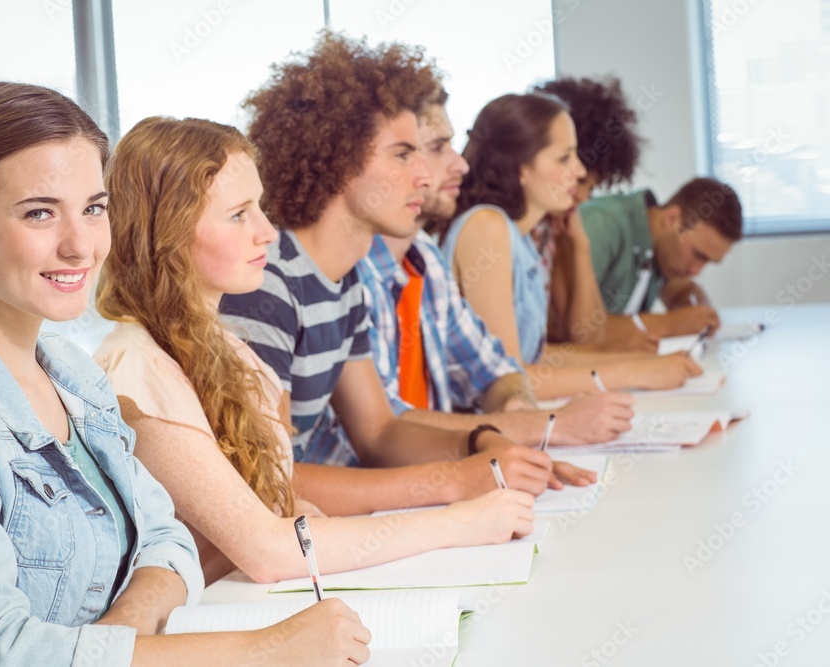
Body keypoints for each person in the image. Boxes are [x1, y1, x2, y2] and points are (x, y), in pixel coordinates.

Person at [0, 82, 369, 666]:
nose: (80, 246)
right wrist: (265, 650)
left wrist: (117, 640)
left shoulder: (72, 375)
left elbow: (166, 541)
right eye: (40, 213)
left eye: (93, 209)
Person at [93, 116, 535, 587]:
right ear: (170, 233)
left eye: (259, 208)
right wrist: (459, 522)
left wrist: (310, 517)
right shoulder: (136, 373)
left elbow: (279, 506)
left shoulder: (239, 358)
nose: (266, 231)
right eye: (239, 214)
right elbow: (267, 551)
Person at [219, 32, 562, 501]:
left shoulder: (345, 281)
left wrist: (479, 443)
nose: (424, 175)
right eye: (403, 154)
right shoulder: (268, 285)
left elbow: (378, 432)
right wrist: (455, 481)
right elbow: (266, 483)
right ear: (337, 159)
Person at [314, 89, 634, 459]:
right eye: (427, 149)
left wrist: (516, 408)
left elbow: (497, 369)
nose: (461, 165)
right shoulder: (349, 273)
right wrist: (544, 424)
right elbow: (385, 429)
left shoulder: (425, 260)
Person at [432, 93, 702, 399]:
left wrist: (644, 362)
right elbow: (507, 379)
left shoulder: (519, 237)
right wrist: (635, 372)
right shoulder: (486, 228)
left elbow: (537, 358)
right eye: (564, 158)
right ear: (521, 166)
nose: (580, 171)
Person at [529, 76, 655, 352]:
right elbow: (550, 340)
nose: (584, 196)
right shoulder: (500, 230)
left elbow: (585, 334)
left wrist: (579, 246)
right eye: (582, 183)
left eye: (591, 185)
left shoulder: (551, 231)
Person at [578, 176, 743, 337]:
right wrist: (671, 324)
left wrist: (700, 313)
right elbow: (576, 328)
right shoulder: (601, 224)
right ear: (672, 218)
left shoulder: (658, 246)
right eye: (698, 255)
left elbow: (683, 290)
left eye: (708, 262)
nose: (696, 271)